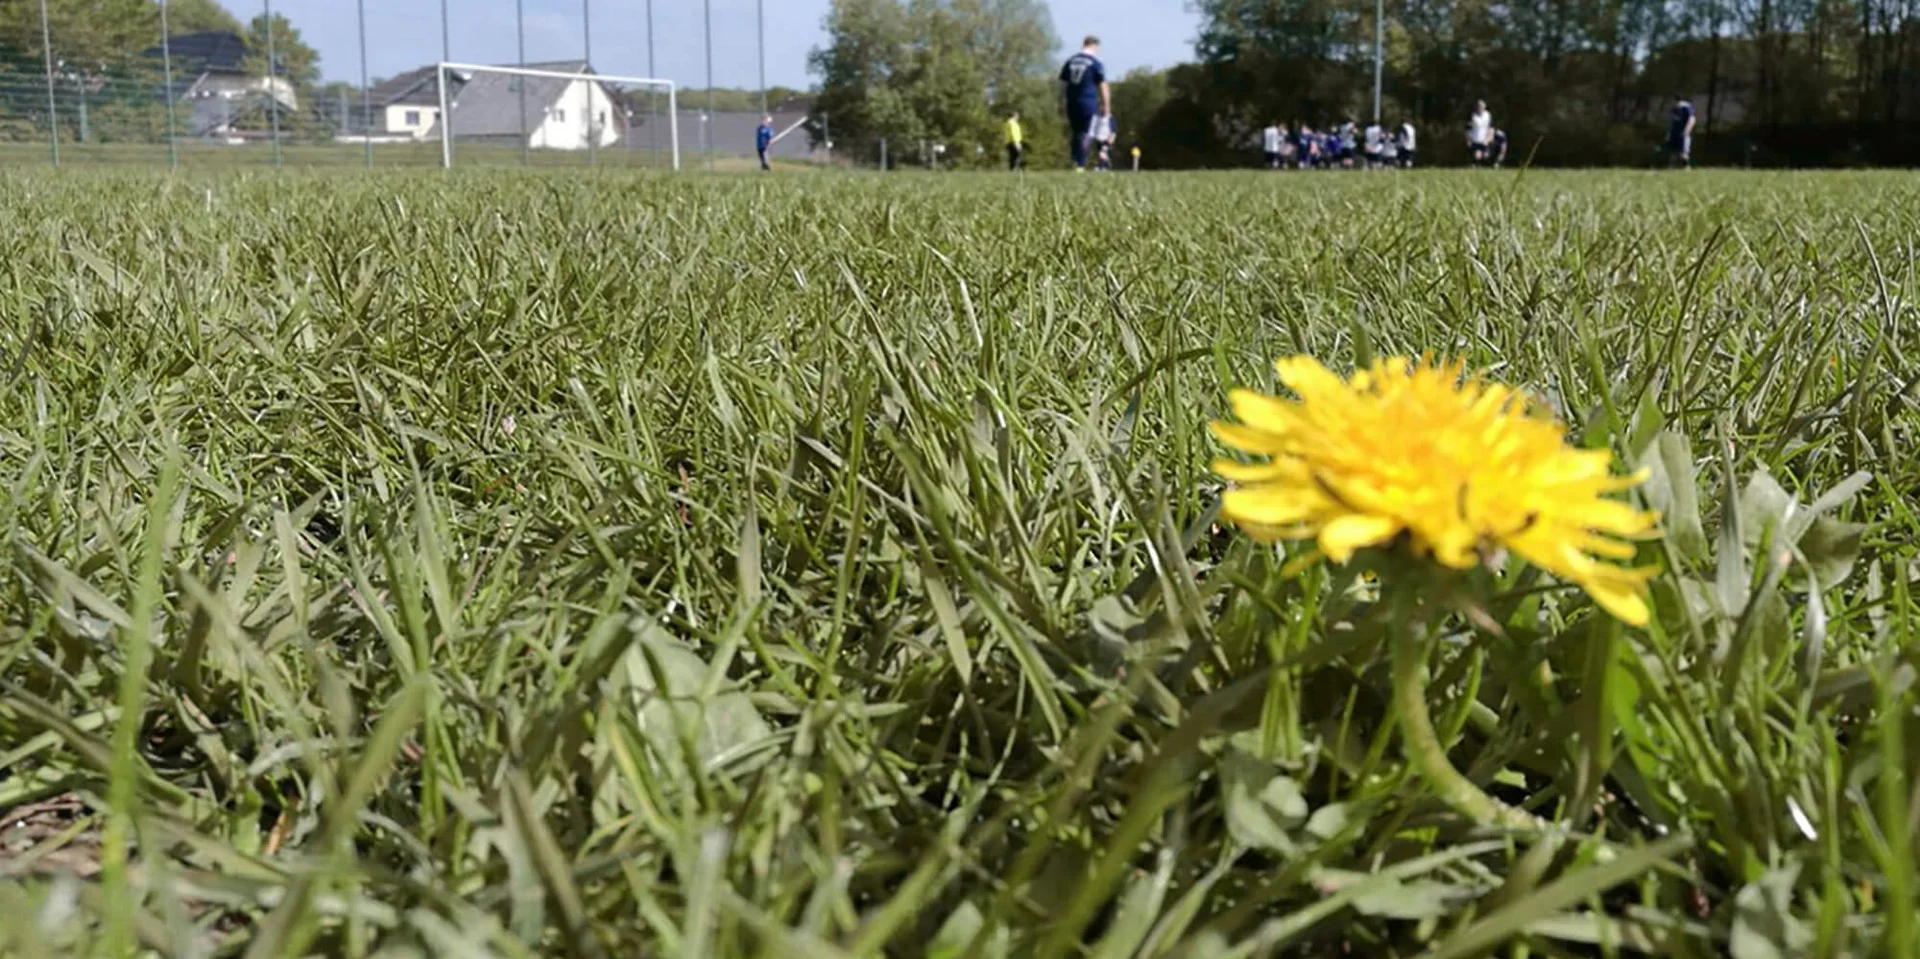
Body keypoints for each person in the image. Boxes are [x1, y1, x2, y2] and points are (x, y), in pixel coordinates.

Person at [1059, 35, 1111, 171]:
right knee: (1086, 132)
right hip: (1088, 101)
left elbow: (1063, 84)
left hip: (1072, 100)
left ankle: (1074, 161)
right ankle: (1080, 164)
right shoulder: (1095, 63)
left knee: (1075, 132)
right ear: (1095, 46)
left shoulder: (1070, 61)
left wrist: (1062, 101)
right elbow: (1103, 86)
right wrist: (1106, 106)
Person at [1666, 94, 1695, 168]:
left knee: (1683, 152)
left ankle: (1687, 167)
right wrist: (1669, 133)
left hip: (1683, 133)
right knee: (1673, 151)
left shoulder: (1686, 108)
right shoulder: (1674, 110)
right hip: (1674, 133)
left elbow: (1691, 119)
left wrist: (1687, 130)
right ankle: (1671, 167)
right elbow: (1671, 122)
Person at [1467, 100, 1492, 166]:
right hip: (1475, 139)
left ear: (1484, 107)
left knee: (1486, 155)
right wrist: (1468, 139)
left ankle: (1483, 166)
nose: (1480, 108)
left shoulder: (1488, 115)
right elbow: (1468, 128)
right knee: (1477, 155)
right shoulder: (1473, 116)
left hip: (1484, 139)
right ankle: (1476, 165)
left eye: (1482, 106)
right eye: (1479, 106)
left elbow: (1490, 128)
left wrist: (1488, 138)